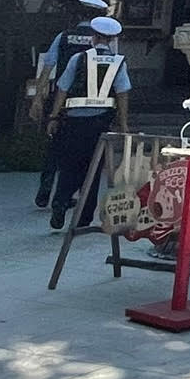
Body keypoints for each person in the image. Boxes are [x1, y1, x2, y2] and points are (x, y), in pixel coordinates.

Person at [45, 15, 131, 231]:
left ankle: (60, 202)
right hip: (100, 124)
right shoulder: (118, 62)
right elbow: (122, 94)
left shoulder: (79, 59)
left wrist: (54, 116)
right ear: (111, 40)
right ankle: (84, 217)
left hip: (73, 121)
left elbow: (62, 88)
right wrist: (123, 123)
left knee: (69, 165)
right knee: (93, 169)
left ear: (93, 37)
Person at [31, 0, 111, 207]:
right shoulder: (105, 42)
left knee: (53, 146)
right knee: (78, 153)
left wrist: (38, 98)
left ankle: (44, 191)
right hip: (91, 105)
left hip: (60, 99)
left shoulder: (64, 36)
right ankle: (66, 196)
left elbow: (47, 67)